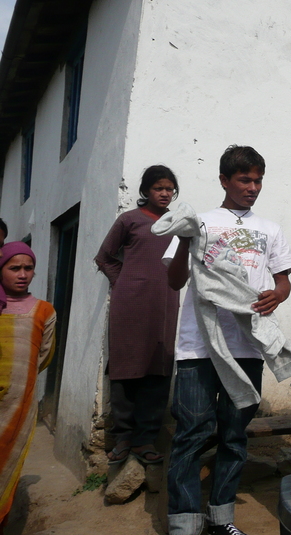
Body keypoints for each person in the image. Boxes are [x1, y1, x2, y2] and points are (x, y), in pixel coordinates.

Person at [163, 146, 291, 535]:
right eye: (244, 180)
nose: (252, 187)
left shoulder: (269, 229)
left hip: (246, 347)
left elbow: (283, 279)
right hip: (198, 345)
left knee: (235, 435)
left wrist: (279, 293)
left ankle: (222, 517)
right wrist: (187, 241)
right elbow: (174, 281)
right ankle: (184, 522)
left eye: (258, 180)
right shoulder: (198, 223)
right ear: (224, 180)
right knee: (192, 432)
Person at [95, 165, 180, 465]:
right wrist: (123, 281)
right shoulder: (129, 220)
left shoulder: (177, 224)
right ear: (146, 191)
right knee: (125, 366)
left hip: (166, 303)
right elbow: (104, 256)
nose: (165, 193)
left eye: (169, 188)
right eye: (159, 188)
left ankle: (146, 439)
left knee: (158, 366)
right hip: (129, 304)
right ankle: (123, 438)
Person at [0, 243, 56, 532]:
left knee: (5, 465)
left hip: (18, 402)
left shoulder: (44, 311)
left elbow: (44, 355)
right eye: (14, 268)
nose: (22, 274)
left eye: (28, 268)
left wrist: (18, 380)